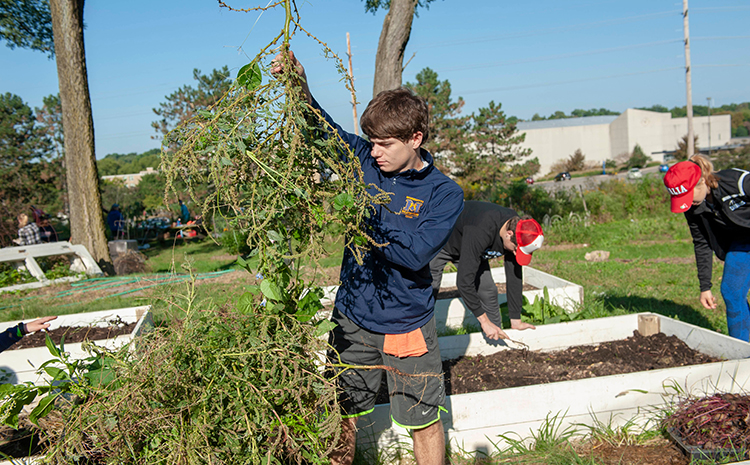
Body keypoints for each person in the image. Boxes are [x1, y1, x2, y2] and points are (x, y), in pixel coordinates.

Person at [273, 51, 464, 465]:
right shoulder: (366, 163)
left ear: (416, 139)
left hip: (404, 324)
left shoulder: (444, 193)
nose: (374, 152)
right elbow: (321, 127)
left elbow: (414, 254)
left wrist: (363, 212)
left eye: (385, 144)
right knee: (343, 410)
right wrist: (297, 83)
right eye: (371, 142)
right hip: (352, 319)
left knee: (422, 419)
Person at [663, 155, 750, 341]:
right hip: (742, 242)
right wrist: (705, 286)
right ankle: (743, 352)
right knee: (731, 291)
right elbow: (702, 242)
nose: (687, 202)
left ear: (702, 180)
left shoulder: (739, 183)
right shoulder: (694, 207)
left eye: (688, 194)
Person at [430, 201, 544, 340]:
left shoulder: (517, 229)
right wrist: (484, 321)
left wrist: (515, 319)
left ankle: (495, 338)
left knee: (488, 290)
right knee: (429, 290)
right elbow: (464, 283)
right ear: (509, 234)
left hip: (470, 246)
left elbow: (514, 274)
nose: (515, 254)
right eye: (515, 249)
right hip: (441, 241)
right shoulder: (482, 229)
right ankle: (425, 340)